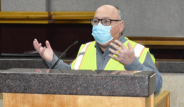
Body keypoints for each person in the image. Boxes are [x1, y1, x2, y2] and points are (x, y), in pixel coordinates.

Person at [33, 5, 162, 95]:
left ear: (120, 25)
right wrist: (52, 60)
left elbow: (156, 86)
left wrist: (133, 64)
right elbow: (70, 76)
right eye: (96, 21)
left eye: (106, 21)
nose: (99, 25)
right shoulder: (85, 48)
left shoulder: (137, 51)